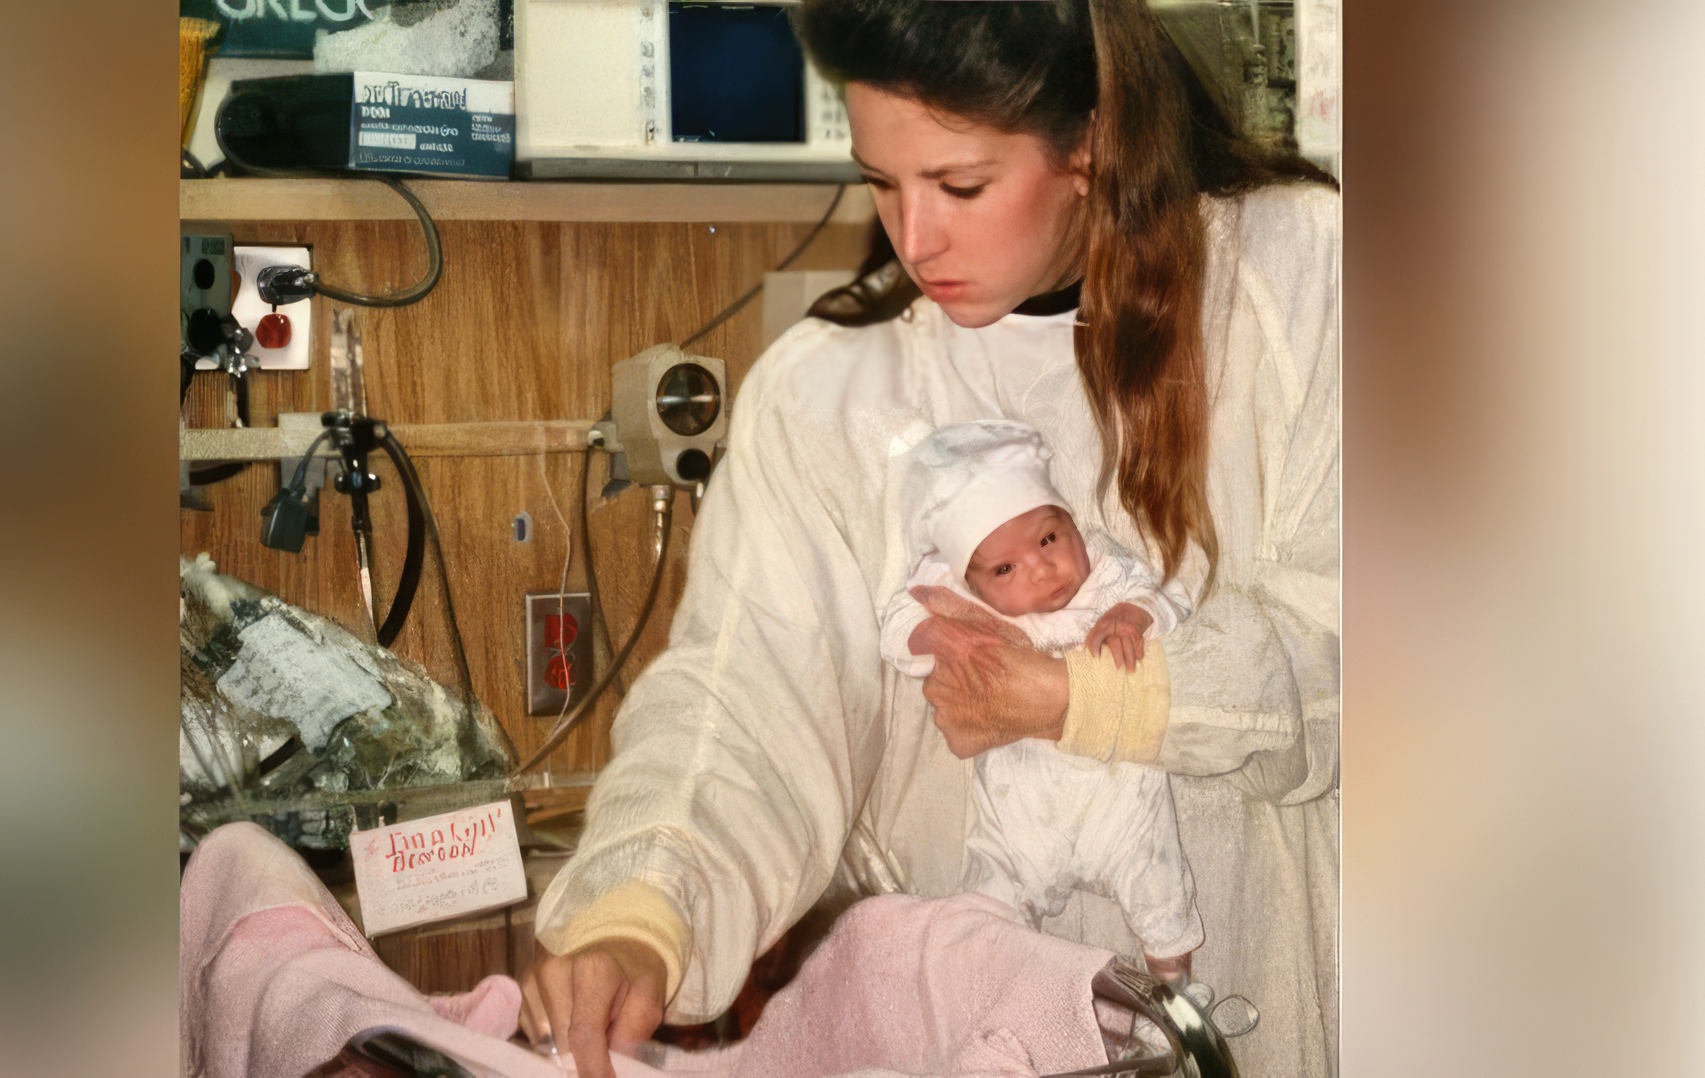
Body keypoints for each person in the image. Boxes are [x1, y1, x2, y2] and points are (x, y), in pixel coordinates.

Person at [524, 1, 1341, 1076]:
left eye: (960, 185)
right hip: (963, 1033)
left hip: (1250, 999)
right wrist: (643, 907)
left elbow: (1368, 644)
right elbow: (745, 700)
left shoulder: (1290, 278)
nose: (915, 239)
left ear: (1090, 140)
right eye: (880, 180)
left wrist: (1087, 696)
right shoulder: (834, 390)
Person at [876, 418, 1201, 986]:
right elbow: (898, 618)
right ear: (972, 583)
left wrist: (1135, 614)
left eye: (1049, 539)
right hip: (1018, 820)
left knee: (1161, 899)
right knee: (985, 914)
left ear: (1071, 523)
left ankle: (1174, 1000)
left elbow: (1173, 593)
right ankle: (997, 1016)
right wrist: (937, 636)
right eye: (1006, 569)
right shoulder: (967, 600)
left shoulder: (1107, 574)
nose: (1042, 568)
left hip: (1122, 806)